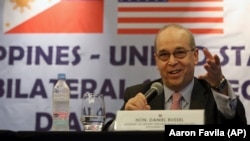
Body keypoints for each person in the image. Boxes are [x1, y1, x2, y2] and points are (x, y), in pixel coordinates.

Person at [103, 24, 247, 131]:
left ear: (195, 56)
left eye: (179, 53)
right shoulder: (139, 95)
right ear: (157, 61)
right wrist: (123, 122)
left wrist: (220, 85)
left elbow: (237, 130)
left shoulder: (214, 96)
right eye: (164, 55)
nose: (172, 62)